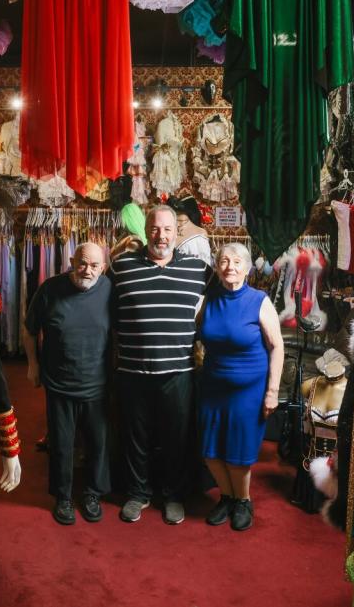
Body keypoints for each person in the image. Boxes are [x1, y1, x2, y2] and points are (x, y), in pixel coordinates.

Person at [109, 205, 212, 525]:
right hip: (131, 369)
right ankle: (138, 494)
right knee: (134, 436)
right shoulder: (122, 265)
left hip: (178, 371)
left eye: (167, 229)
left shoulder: (197, 269)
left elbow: (225, 294)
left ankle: (173, 495)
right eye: (155, 228)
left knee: (176, 437)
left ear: (176, 233)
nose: (161, 235)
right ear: (146, 230)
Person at [23, 242, 112, 525]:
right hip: (59, 382)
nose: (87, 270)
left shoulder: (110, 289)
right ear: (72, 260)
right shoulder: (50, 288)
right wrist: (33, 364)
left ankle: (92, 494)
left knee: (98, 444)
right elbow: (28, 330)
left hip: (97, 383)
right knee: (61, 444)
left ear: (103, 267)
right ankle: (62, 496)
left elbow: (120, 332)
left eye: (95, 265)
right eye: (82, 263)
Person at [198, 243, 283, 530]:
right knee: (211, 452)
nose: (229, 267)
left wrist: (272, 392)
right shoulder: (207, 300)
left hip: (248, 391)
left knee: (238, 453)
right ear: (217, 266)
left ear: (247, 268)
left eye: (236, 262)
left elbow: (277, 346)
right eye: (224, 261)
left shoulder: (259, 300)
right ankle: (227, 497)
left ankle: (243, 500)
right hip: (212, 386)